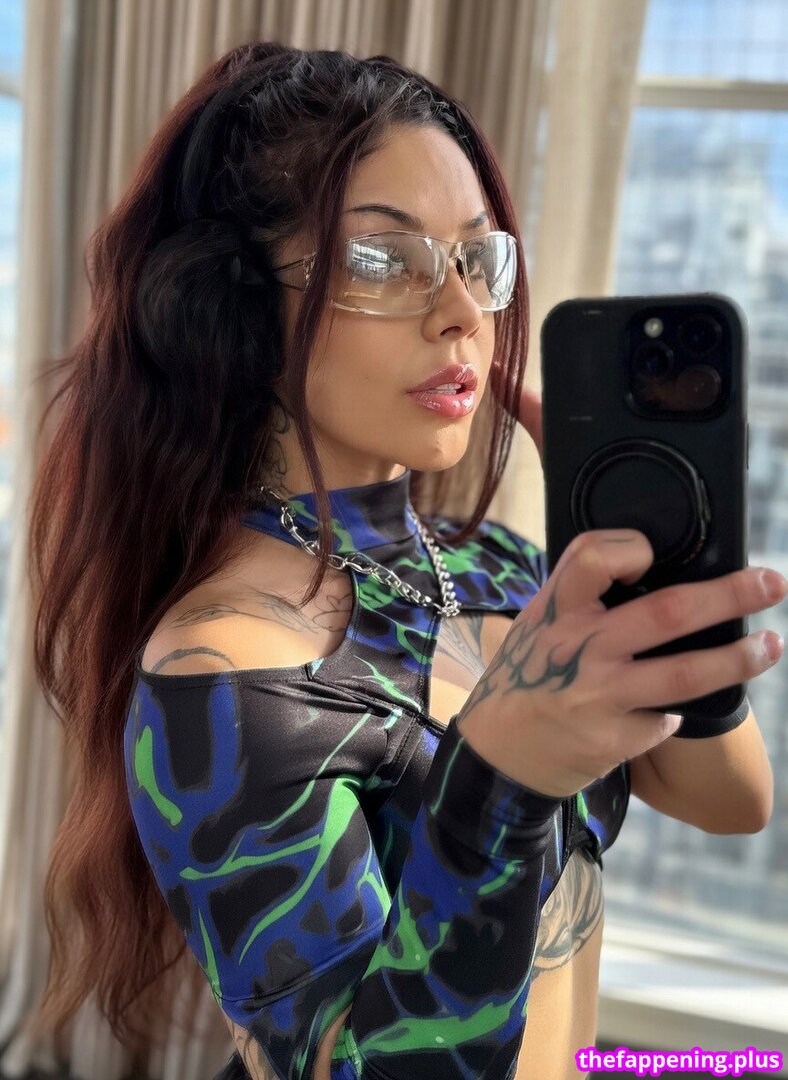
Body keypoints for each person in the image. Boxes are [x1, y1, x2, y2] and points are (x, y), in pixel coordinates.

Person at [30, 42, 783, 1080]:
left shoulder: (500, 562)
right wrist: (500, 781)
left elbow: (731, 800)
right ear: (239, 309)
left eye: (478, 258)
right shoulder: (233, 664)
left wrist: (663, 569)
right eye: (384, 262)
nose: (463, 312)